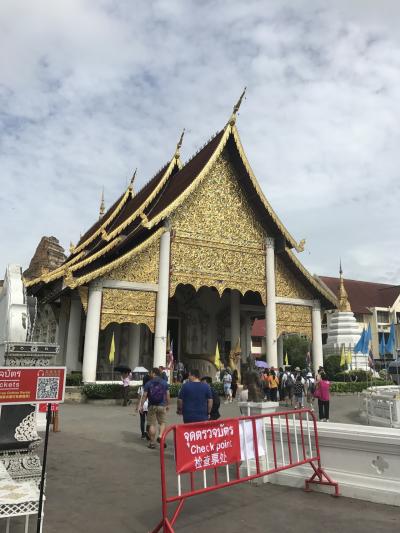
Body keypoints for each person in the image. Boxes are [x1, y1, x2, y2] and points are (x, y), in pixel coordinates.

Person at [139, 368, 170, 449]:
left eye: (151, 373)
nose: (150, 374)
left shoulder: (148, 383)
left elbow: (144, 396)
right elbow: (167, 395)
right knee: (162, 423)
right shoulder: (164, 382)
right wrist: (168, 404)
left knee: (152, 424)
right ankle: (160, 436)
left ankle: (152, 443)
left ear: (154, 373)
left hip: (152, 406)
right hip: (162, 405)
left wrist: (141, 406)